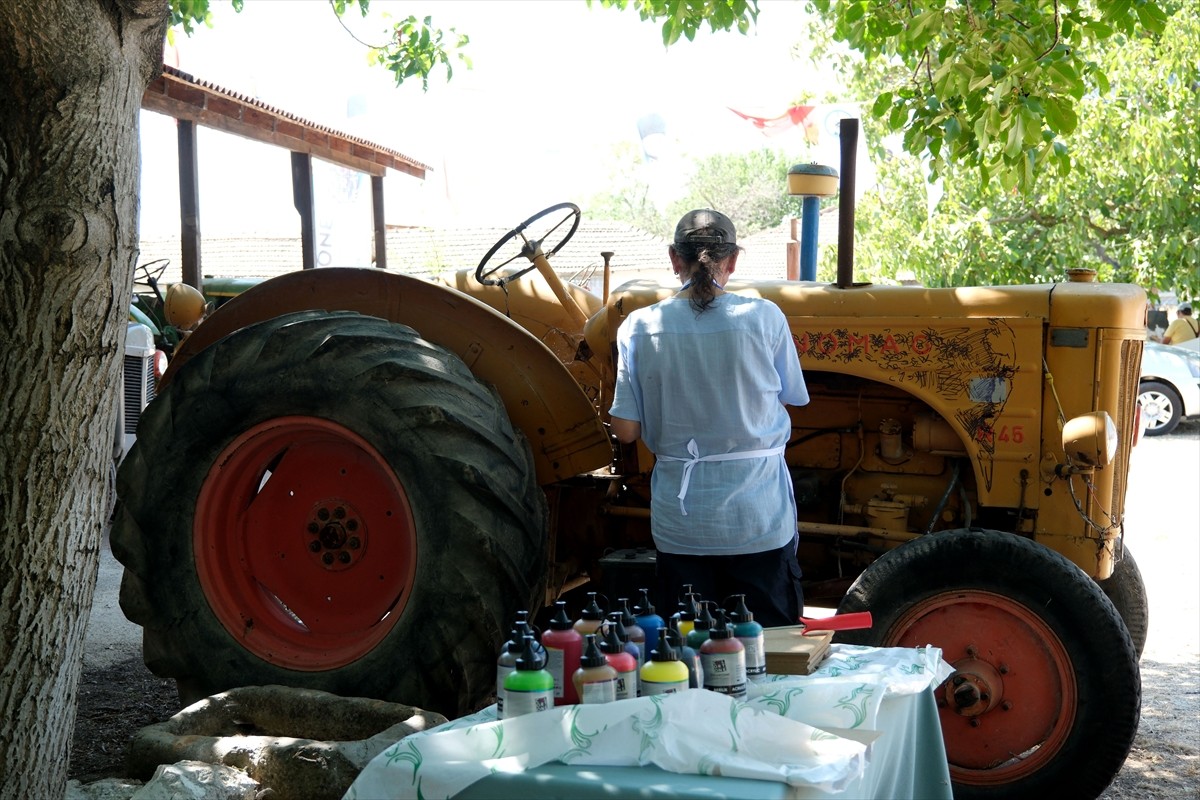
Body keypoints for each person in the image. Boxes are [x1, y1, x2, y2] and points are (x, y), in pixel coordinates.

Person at [608, 209, 810, 628]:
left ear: (673, 259)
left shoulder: (638, 327)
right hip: (758, 519)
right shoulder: (765, 317)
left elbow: (625, 430)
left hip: (684, 526)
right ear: (732, 260)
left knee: (690, 654)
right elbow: (794, 396)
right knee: (769, 651)